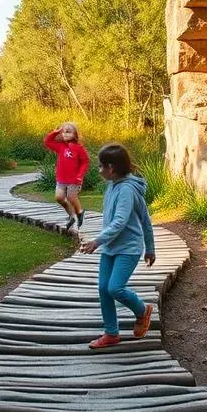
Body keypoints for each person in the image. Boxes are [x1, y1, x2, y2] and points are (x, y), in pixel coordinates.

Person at [79, 142, 155, 349]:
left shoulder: (126, 191)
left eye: (101, 166)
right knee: (104, 289)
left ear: (111, 168)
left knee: (115, 287)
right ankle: (111, 333)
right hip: (111, 248)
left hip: (128, 248)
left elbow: (122, 222)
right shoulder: (113, 186)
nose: (99, 170)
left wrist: (149, 247)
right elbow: (143, 219)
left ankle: (142, 311)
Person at [43, 122, 89, 230]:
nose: (65, 134)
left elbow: (85, 162)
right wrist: (55, 132)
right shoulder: (60, 147)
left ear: (75, 134)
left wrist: (80, 175)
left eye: (68, 132)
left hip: (74, 180)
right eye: (63, 132)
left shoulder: (79, 148)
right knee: (59, 198)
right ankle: (72, 216)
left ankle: (80, 212)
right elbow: (47, 141)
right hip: (61, 179)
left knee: (71, 197)